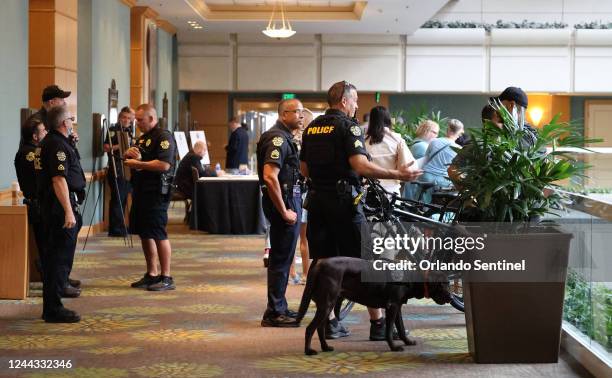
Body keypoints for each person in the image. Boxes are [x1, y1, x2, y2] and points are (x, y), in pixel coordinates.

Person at [300, 81, 422, 340]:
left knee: (325, 262)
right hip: (345, 204)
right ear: (344, 101)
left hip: (318, 204)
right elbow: (360, 165)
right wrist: (397, 174)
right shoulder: (348, 126)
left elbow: (304, 170)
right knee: (365, 262)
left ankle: (330, 323)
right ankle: (378, 325)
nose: (356, 106)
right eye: (354, 101)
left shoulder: (311, 127)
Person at [36, 105, 85, 322]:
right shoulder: (56, 144)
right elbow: (58, 179)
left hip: (56, 207)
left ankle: (52, 306)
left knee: (57, 259)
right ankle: (53, 309)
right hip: (59, 209)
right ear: (65, 123)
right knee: (58, 260)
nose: (72, 122)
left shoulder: (57, 142)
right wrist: (68, 212)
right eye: (71, 119)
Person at [257, 98, 304, 327]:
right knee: (281, 259)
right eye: (297, 112)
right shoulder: (277, 138)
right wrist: (284, 211)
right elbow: (269, 176)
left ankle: (279, 306)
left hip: (288, 200)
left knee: (284, 258)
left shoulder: (285, 137)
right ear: (284, 114)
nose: (302, 116)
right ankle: (274, 312)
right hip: (283, 203)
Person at [125, 104, 177, 291]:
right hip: (140, 191)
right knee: (144, 232)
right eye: (135, 120)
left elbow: (164, 165)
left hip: (156, 193)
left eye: (140, 120)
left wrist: (139, 163)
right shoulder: (142, 138)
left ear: (152, 119)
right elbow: (134, 158)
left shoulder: (164, 137)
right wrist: (129, 153)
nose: (136, 123)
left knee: (158, 233)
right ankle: (152, 274)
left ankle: (166, 276)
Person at [15, 116, 48, 281]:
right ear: (35, 136)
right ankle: (51, 279)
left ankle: (57, 278)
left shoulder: (32, 150)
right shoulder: (30, 153)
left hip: (40, 203)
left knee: (49, 244)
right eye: (44, 130)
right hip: (39, 204)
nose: (47, 133)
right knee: (46, 244)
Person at [289, 108, 314, 285]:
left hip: (292, 191)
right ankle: (306, 274)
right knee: (305, 238)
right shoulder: (310, 142)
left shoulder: (291, 140)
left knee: (291, 236)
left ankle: (291, 273)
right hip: (305, 191)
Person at [365, 106, 414, 195]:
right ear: (388, 119)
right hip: (391, 191)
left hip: (368, 189)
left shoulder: (363, 141)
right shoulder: (397, 140)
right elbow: (405, 165)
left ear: (371, 120)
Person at [103, 106, 134, 237]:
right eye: (124, 118)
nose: (127, 120)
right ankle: (115, 229)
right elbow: (106, 147)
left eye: (129, 118)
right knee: (117, 199)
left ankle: (122, 226)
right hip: (115, 167)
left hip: (127, 168)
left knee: (123, 199)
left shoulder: (130, 130)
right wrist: (122, 146)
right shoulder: (112, 130)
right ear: (119, 118)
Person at [419, 119, 464, 203]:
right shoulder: (459, 149)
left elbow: (426, 158)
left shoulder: (434, 141)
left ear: (448, 129)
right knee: (440, 207)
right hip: (443, 181)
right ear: (459, 134)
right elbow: (455, 169)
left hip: (426, 176)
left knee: (423, 205)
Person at [404, 120, 440, 199]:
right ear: (425, 131)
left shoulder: (418, 144)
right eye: (434, 132)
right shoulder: (422, 146)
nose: (436, 136)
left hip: (414, 183)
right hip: (416, 185)